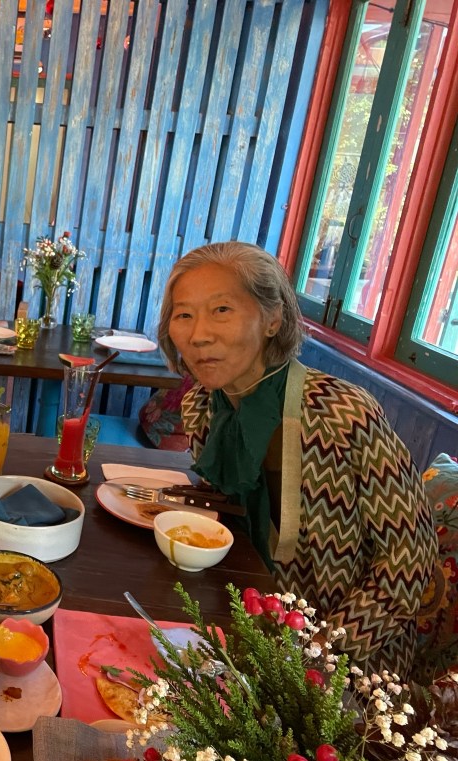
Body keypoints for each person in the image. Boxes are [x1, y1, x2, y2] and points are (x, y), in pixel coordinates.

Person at [157, 241, 434, 677]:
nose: (198, 335)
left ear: (273, 319)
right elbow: (227, 518)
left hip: (350, 667)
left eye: (222, 310)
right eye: (184, 314)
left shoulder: (343, 414)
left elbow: (409, 565)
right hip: (237, 624)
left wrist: (316, 655)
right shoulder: (203, 407)